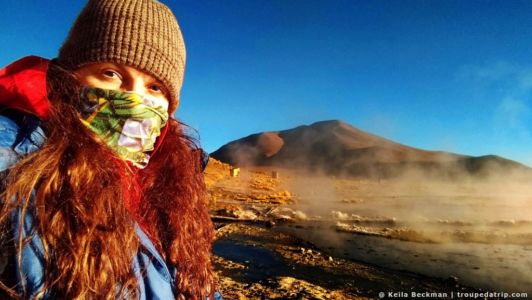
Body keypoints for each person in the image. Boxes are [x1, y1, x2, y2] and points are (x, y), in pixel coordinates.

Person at [0, 0, 220, 299]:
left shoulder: (174, 181)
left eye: (155, 88)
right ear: (69, 75)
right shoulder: (16, 166)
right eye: (111, 73)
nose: (133, 98)